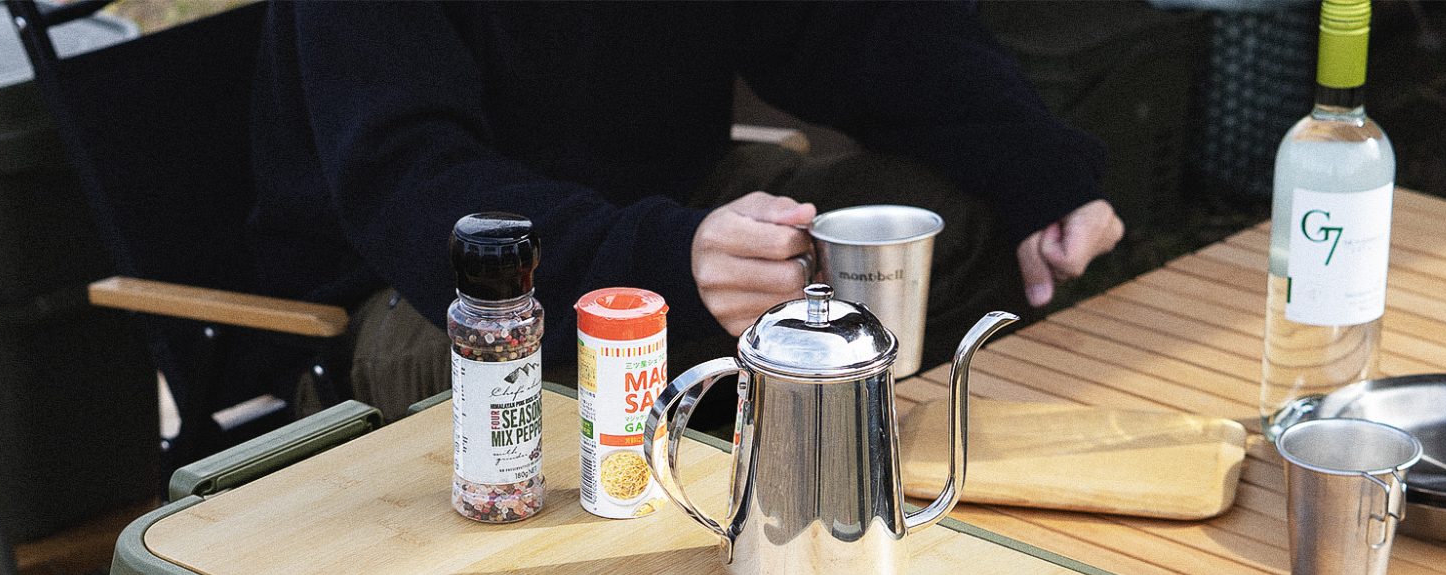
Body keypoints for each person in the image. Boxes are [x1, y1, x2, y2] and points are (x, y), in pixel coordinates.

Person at [249, 1, 1125, 420]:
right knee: (618, 372)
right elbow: (415, 186)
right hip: (422, 290)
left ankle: (883, 514)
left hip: (664, 209)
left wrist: (1036, 171)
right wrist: (663, 259)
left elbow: (859, 27)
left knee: (932, 228)